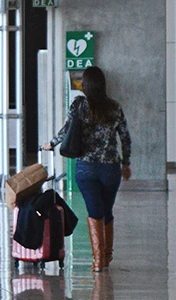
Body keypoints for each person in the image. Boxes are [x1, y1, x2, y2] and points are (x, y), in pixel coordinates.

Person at [42, 66, 131, 271]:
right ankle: (105, 257)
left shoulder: (79, 105)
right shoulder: (114, 107)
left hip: (86, 168)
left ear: (86, 85)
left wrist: (52, 143)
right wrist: (126, 163)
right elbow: (125, 137)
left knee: (94, 211)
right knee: (106, 210)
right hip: (110, 168)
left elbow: (67, 129)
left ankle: (99, 260)